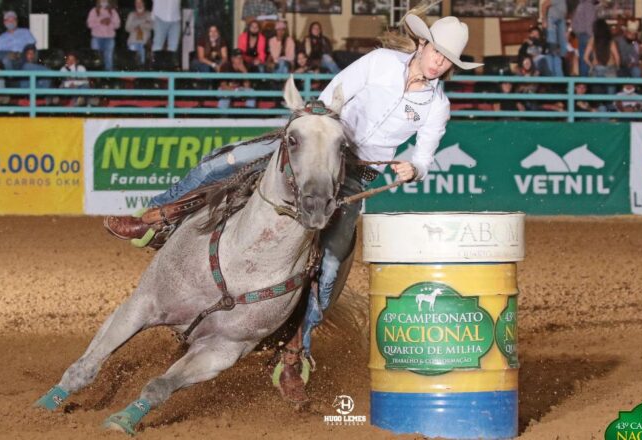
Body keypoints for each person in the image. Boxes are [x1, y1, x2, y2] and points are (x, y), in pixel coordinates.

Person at [104, 5, 481, 405]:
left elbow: (423, 156)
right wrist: (315, 140)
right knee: (218, 164)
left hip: (355, 173)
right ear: (422, 44)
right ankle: (158, 218)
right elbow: (329, 97)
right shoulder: (380, 63)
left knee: (333, 260)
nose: (439, 63)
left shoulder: (437, 106)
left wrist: (414, 169)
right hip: (315, 144)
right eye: (436, 52)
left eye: (447, 59)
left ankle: (294, 350)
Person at [584, 18, 620, 100]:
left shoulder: (592, 40)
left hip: (597, 67)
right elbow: (617, 56)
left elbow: (585, 57)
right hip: (610, 68)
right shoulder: (610, 40)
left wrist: (591, 65)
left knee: (597, 96)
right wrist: (617, 68)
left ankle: (599, 109)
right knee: (611, 96)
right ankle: (610, 110)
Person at [87, 0, 121, 71]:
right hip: (96, 38)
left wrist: (110, 22)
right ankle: (95, 76)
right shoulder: (94, 11)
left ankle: (108, 76)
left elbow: (117, 25)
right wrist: (100, 21)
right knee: (96, 58)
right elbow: (89, 24)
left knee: (108, 58)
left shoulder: (113, 11)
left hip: (109, 38)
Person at [540, 0, 567, 76]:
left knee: (561, 50)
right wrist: (544, 20)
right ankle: (554, 75)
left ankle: (558, 74)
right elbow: (544, 5)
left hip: (560, 22)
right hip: (552, 21)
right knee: (553, 49)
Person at [572, 0, 598, 76]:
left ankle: (583, 82)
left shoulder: (579, 6)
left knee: (583, 60)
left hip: (580, 36)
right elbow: (589, 24)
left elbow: (573, 24)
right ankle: (589, 83)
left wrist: (578, 34)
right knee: (591, 60)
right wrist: (592, 36)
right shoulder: (589, 6)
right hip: (588, 36)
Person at [125, 0, 153, 66]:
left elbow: (152, 26)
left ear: (144, 3)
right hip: (133, 41)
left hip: (145, 43)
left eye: (140, 2)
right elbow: (127, 28)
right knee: (132, 63)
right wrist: (144, 22)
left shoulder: (149, 14)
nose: (138, 4)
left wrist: (138, 24)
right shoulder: (131, 15)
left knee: (143, 63)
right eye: (137, 3)